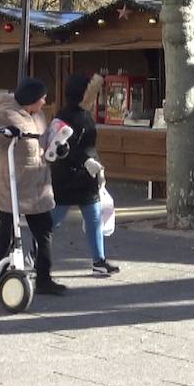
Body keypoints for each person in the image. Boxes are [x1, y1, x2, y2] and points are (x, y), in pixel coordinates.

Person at [0, 77, 67, 296]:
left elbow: (44, 142)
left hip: (37, 184)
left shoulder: (39, 116)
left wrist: (59, 148)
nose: (45, 102)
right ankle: (0, 276)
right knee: (7, 230)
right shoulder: (7, 114)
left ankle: (44, 279)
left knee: (44, 230)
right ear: (31, 99)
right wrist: (3, 134)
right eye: (42, 98)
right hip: (12, 185)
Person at [49, 72, 121, 277]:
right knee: (55, 219)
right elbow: (62, 146)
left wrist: (97, 165)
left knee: (94, 218)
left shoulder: (85, 113)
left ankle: (99, 260)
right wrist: (86, 161)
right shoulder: (63, 116)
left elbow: (88, 144)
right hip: (67, 175)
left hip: (88, 175)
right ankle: (34, 255)